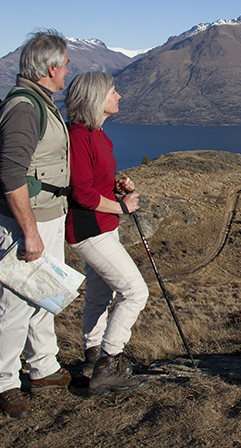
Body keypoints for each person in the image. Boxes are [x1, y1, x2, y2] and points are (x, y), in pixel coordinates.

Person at [0, 29, 72, 417]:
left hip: (48, 215)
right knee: (17, 301)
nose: (68, 71)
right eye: (67, 64)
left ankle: (44, 368)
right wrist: (30, 231)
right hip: (27, 222)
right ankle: (4, 381)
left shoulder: (42, 100)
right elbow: (11, 175)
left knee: (43, 293)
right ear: (52, 68)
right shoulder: (24, 107)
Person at [64, 70, 149, 395]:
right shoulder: (79, 136)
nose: (119, 96)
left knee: (101, 295)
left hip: (102, 227)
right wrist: (123, 207)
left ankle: (93, 354)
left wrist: (116, 185)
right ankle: (108, 364)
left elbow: (94, 182)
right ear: (97, 98)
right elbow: (81, 194)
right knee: (135, 292)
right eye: (113, 91)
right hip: (89, 230)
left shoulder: (97, 134)